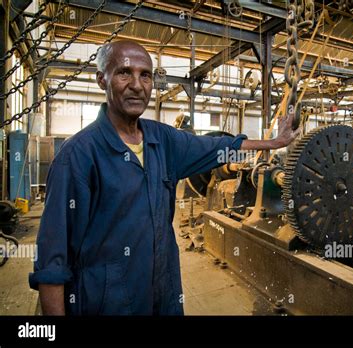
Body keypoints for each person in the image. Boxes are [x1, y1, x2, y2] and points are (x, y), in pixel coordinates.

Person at [29, 40, 300, 315]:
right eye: (124, 73)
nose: (137, 84)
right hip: (106, 305)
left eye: (145, 75)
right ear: (102, 80)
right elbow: (52, 262)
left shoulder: (163, 140)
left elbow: (218, 147)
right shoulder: (77, 157)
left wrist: (274, 144)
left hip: (164, 297)